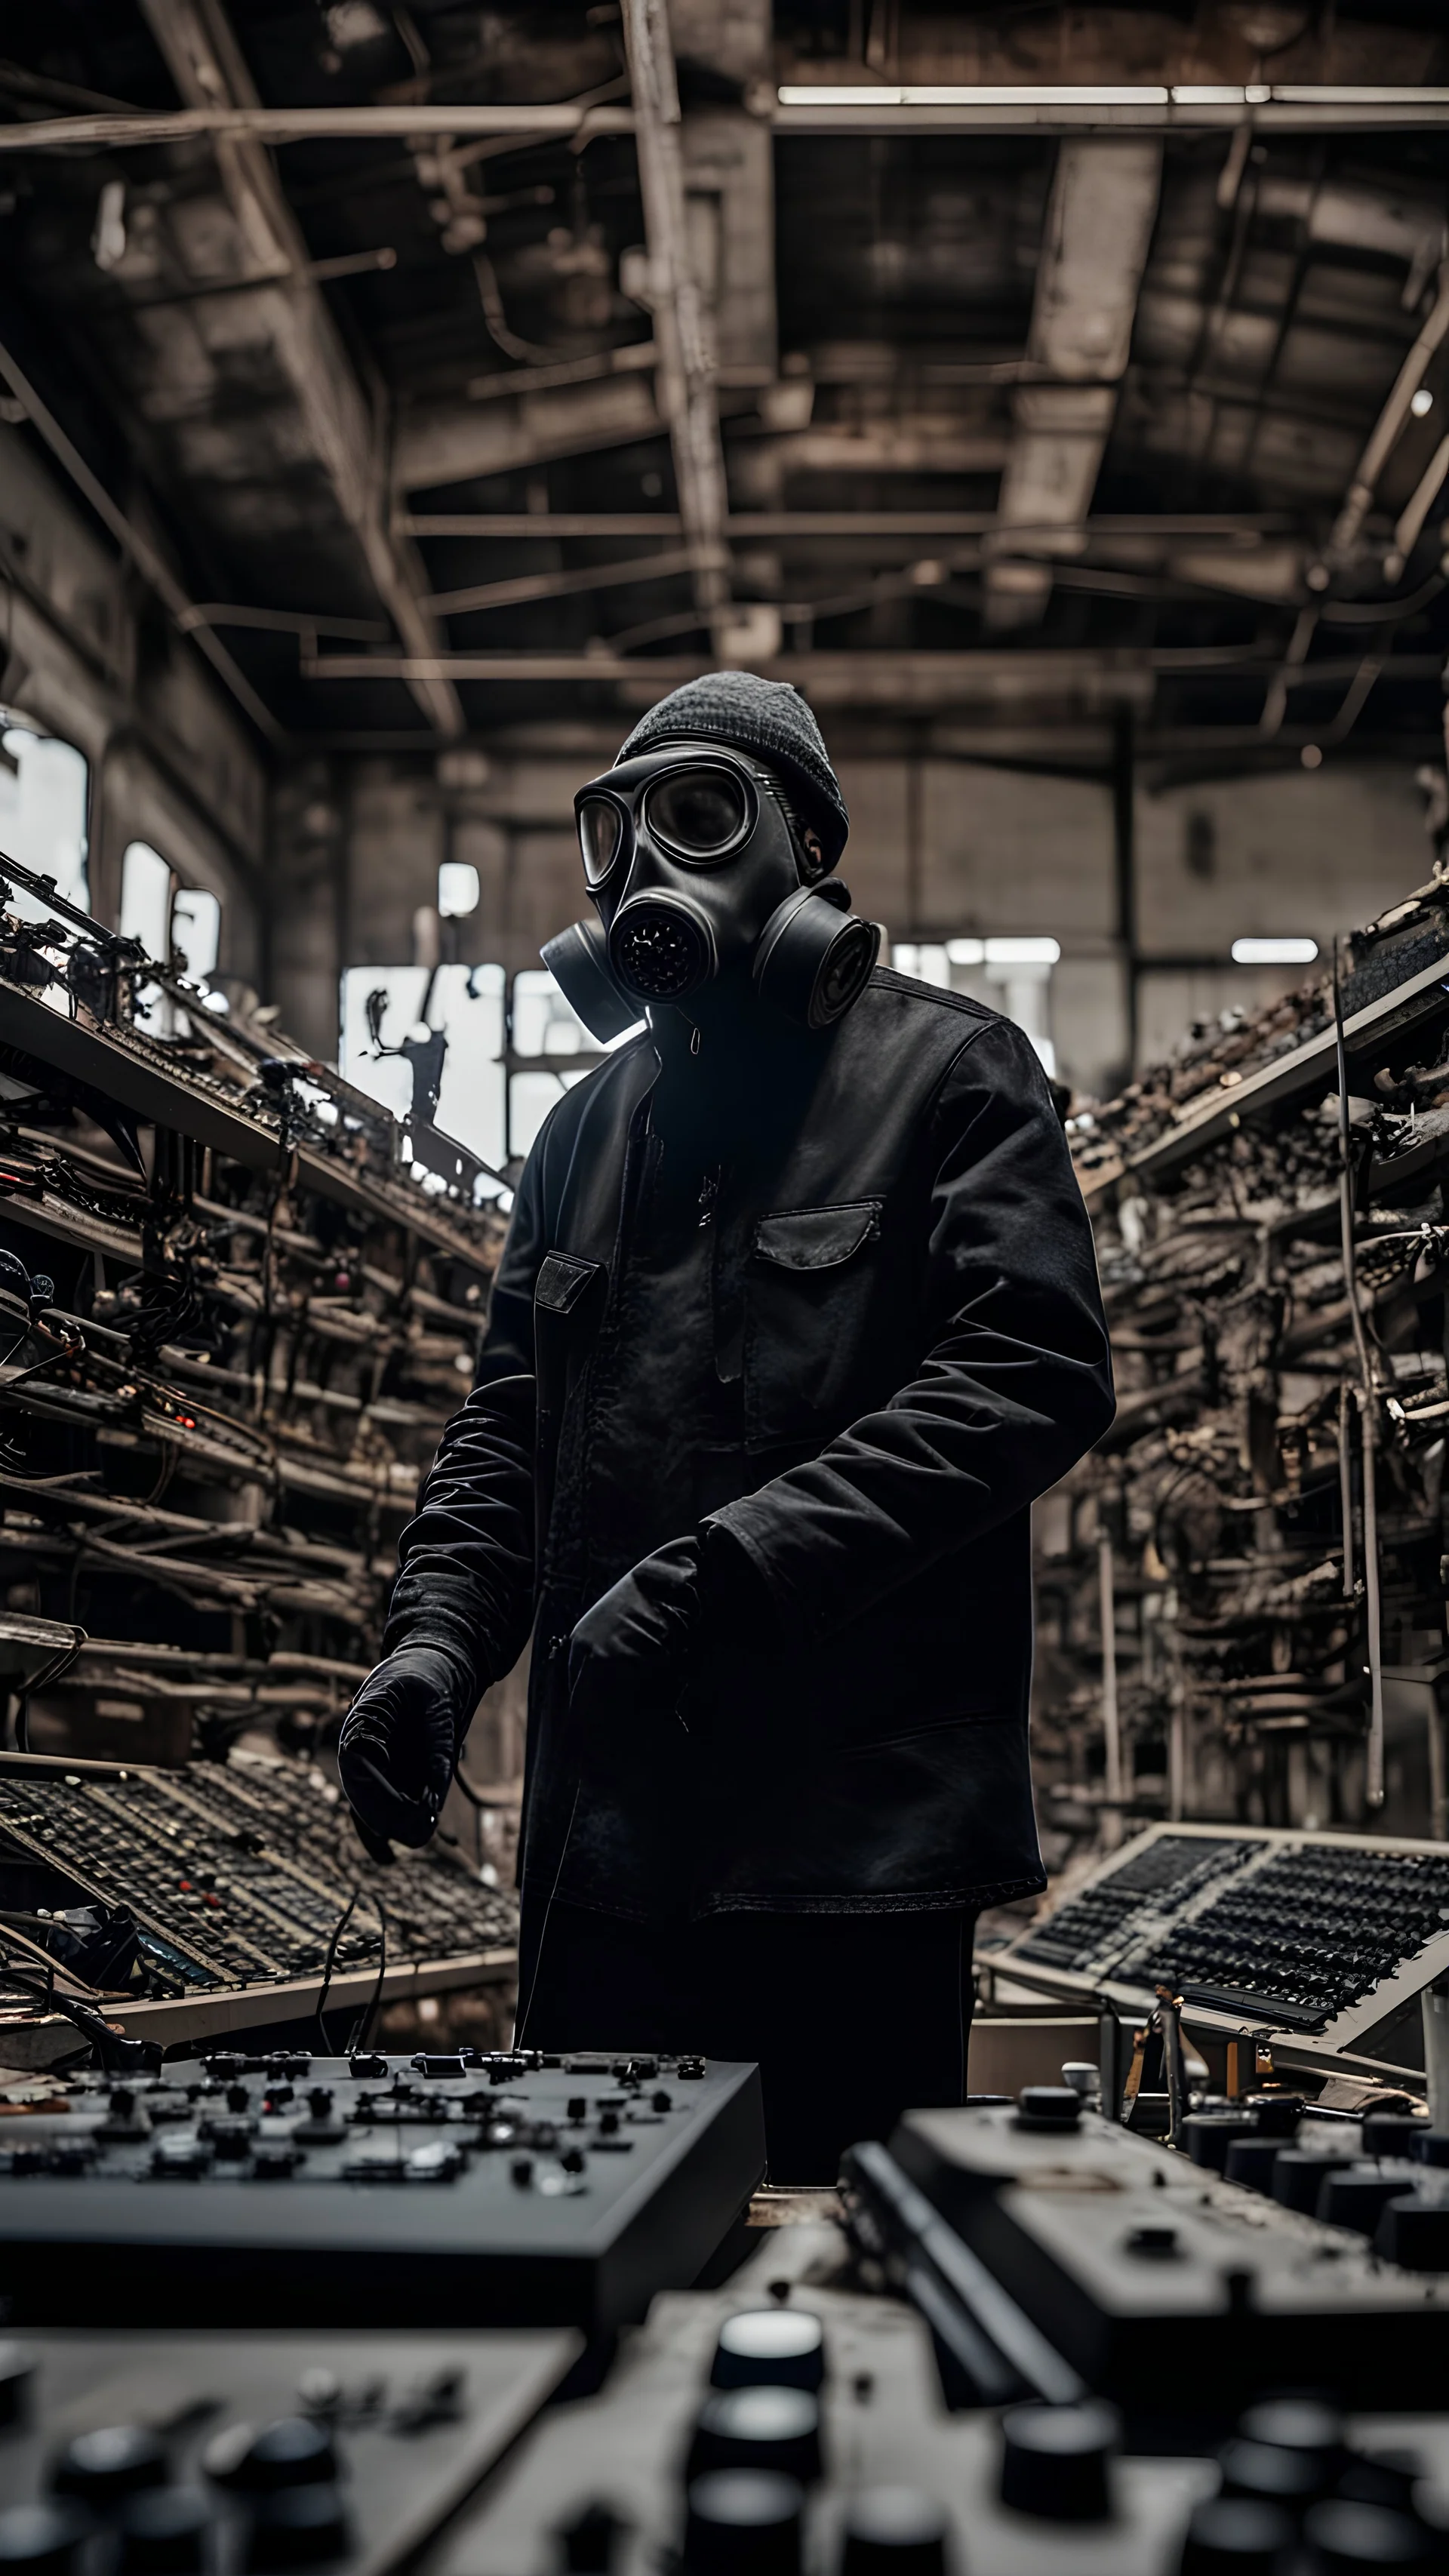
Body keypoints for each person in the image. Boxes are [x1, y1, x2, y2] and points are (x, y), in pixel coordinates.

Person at [337, 674, 1114, 2181]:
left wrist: (725, 1577)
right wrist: (433, 1642)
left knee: (848, 2289)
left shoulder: (955, 1077)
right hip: (603, 1874)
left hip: (855, 1873)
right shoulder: (578, 1133)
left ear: (809, 846)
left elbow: (1032, 1366)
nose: (644, 867)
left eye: (697, 815)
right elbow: (508, 1431)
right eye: (612, 831)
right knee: (586, 2260)